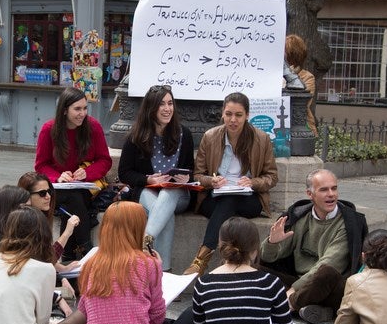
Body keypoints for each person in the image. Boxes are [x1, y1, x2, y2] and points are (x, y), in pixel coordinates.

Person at [78, 202, 197, 324]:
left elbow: (86, 312)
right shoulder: (148, 264)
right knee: (191, 314)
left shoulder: (90, 265)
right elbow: (156, 318)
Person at [184, 91, 278, 275]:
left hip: (249, 199)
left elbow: (272, 177)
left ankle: (201, 259)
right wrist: (211, 181)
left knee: (231, 201)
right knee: (227, 202)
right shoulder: (210, 137)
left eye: (238, 115)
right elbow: (197, 174)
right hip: (214, 197)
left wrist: (252, 182)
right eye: (228, 114)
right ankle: (216, 262)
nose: (232, 120)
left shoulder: (261, 139)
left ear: (247, 115)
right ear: (222, 113)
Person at [258, 168, 368, 324]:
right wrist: (272, 242)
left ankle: (285, 306)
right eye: (324, 190)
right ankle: (313, 310)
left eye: (334, 188)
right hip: (300, 281)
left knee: (326, 273)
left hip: (331, 287)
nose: (331, 194)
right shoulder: (299, 216)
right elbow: (266, 257)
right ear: (310, 194)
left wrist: (293, 291)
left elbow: (330, 263)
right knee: (250, 267)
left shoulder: (348, 223)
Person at [117, 84, 196, 271]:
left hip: (178, 195)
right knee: (164, 216)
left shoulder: (184, 134)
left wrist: (186, 178)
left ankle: (146, 239)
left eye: (170, 103)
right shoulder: (136, 136)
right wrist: (148, 180)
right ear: (151, 108)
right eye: (161, 104)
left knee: (169, 191)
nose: (167, 109)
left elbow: (192, 170)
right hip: (148, 191)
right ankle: (164, 274)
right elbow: (124, 172)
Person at [33, 87, 113, 261]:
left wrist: (87, 172)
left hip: (87, 187)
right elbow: (40, 165)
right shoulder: (49, 129)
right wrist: (57, 177)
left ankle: (68, 256)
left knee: (74, 200)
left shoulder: (93, 126)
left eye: (85, 108)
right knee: (72, 197)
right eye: (77, 109)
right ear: (64, 110)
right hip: (57, 188)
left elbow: (105, 161)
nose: (82, 113)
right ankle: (85, 247)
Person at [18, 171, 80, 267]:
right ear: (27, 196)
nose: (48, 196)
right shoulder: (25, 222)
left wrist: (62, 268)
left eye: (49, 191)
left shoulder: (38, 216)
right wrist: (67, 232)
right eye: (42, 193)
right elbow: (47, 259)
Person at [284, 34, 317, 134]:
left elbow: (302, 102)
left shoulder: (308, 77)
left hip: (302, 129)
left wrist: (290, 75)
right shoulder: (276, 75)